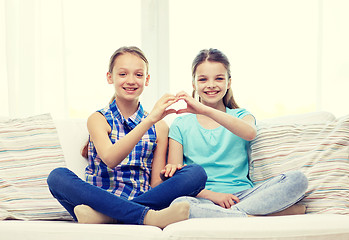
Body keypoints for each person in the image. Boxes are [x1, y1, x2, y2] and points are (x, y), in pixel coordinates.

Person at [47, 46, 207, 228]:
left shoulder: (160, 127)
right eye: (123, 74)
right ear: (110, 77)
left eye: (138, 75)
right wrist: (149, 120)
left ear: (147, 80)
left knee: (196, 174)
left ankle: (108, 217)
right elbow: (110, 159)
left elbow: (155, 183)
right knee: (57, 176)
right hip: (98, 199)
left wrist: (172, 173)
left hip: (142, 198)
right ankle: (147, 217)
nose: (131, 81)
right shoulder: (98, 119)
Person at [161, 48, 308, 218]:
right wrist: (213, 196)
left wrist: (204, 109)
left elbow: (250, 133)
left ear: (229, 82)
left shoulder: (241, 116)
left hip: (244, 196)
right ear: (193, 84)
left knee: (297, 179)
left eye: (219, 78)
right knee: (179, 205)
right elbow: (177, 180)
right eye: (203, 79)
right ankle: (250, 216)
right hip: (203, 198)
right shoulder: (181, 124)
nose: (211, 85)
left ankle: (229, 215)